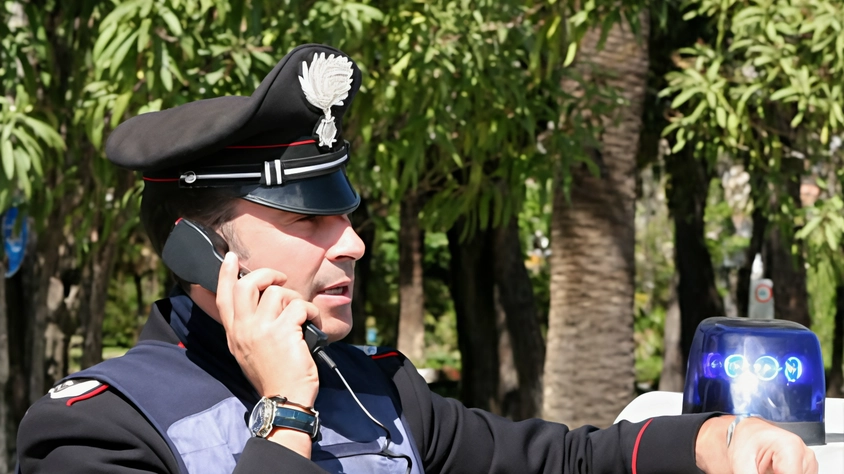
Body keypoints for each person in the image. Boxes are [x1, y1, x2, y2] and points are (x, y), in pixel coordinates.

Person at [16, 43, 817, 474]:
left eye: (349, 216)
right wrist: (286, 415)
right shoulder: (99, 430)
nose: (353, 243)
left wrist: (718, 444)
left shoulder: (377, 393)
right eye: (310, 221)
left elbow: (560, 462)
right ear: (202, 246)